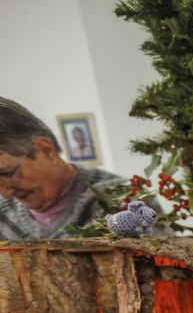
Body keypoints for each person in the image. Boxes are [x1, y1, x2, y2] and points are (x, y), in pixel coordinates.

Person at [0, 98, 124, 240]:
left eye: (6, 174)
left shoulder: (124, 202)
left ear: (46, 150)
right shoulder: (3, 215)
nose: (5, 193)